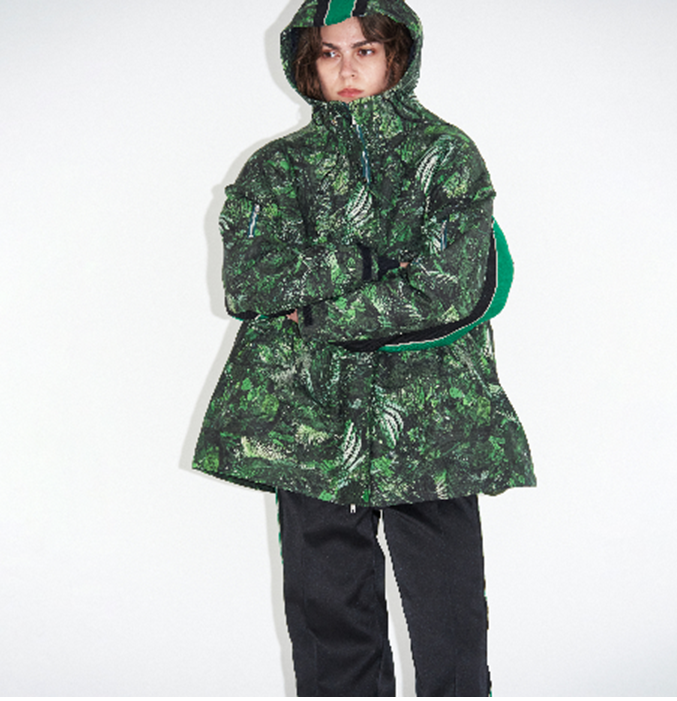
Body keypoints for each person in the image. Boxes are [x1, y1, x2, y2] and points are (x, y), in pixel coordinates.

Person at [194, 0, 533, 695]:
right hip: (307, 420)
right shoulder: (276, 169)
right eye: (329, 52)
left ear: (397, 55)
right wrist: (363, 260)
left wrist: (313, 310)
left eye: (365, 51)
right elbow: (248, 282)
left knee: (450, 619)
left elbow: (446, 289)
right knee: (327, 616)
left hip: (433, 420)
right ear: (307, 61)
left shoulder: (445, 156)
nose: (346, 69)